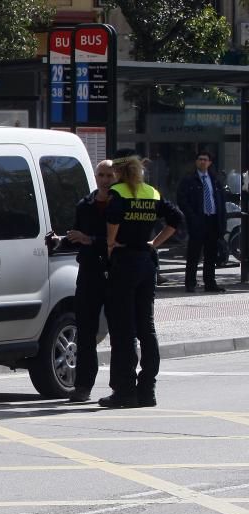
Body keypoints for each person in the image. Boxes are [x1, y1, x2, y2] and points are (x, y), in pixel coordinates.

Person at [100, 154, 183, 409]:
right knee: (146, 327)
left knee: (124, 330)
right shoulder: (152, 192)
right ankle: (147, 389)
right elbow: (176, 219)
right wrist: (154, 243)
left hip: (124, 262)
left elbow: (113, 219)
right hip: (147, 263)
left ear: (121, 172)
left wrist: (111, 244)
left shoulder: (118, 191)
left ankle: (124, 390)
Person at [59, 160, 118, 403]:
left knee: (121, 333)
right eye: (101, 175)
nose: (104, 180)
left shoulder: (123, 205)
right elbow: (77, 235)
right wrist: (61, 241)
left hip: (116, 272)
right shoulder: (85, 204)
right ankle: (83, 386)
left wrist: (90, 239)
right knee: (85, 332)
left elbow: (119, 239)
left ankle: (121, 386)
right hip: (90, 272)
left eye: (109, 175)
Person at [177, 151, 227, 293]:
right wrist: (192, 216)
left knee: (211, 254)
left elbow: (221, 202)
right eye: (200, 159)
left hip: (213, 220)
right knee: (194, 254)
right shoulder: (189, 180)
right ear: (196, 161)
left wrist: (221, 222)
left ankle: (210, 283)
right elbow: (182, 199)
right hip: (198, 220)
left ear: (210, 163)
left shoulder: (215, 180)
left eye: (205, 160)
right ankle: (190, 283)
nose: (202, 162)